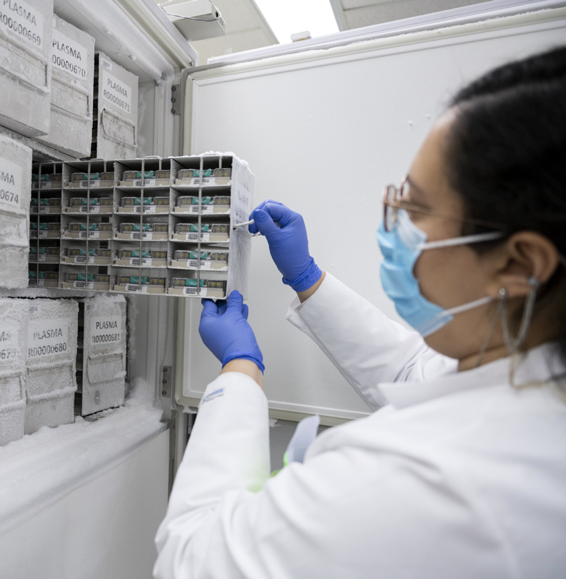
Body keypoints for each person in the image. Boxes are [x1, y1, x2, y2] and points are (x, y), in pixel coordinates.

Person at [154, 46, 566, 579]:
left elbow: (191, 559)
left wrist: (240, 371)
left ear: (521, 263)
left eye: (414, 208)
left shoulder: (432, 480)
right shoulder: (527, 382)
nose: (394, 224)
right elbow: (413, 375)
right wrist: (308, 280)